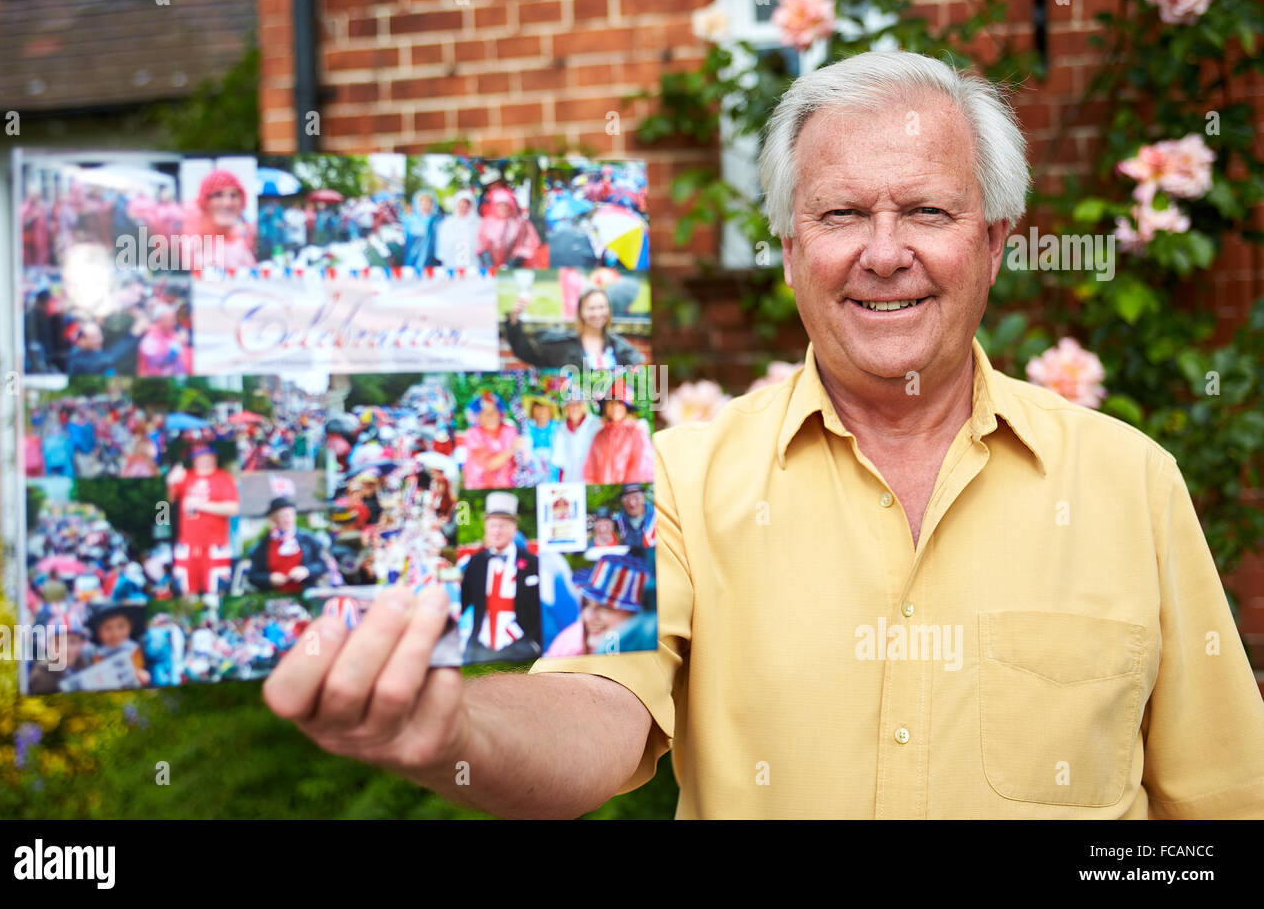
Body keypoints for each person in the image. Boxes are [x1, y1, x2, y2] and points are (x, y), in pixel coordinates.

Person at [264, 51, 1264, 819]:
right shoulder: (677, 479)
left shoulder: (1131, 481)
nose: (883, 252)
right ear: (790, 249)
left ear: (994, 241)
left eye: (925, 209)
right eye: (838, 213)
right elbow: (597, 715)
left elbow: (1220, 807)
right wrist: (450, 726)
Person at [459, 491, 542, 664]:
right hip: (480, 644)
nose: (497, 531)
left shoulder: (533, 563)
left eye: (503, 525)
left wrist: (534, 642)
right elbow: (464, 600)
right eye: (493, 525)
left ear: (514, 528)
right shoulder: (476, 562)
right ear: (486, 527)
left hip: (520, 645)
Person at [504, 286, 644, 371]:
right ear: (581, 312)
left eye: (602, 307)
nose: (597, 313)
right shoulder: (560, 346)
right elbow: (526, 353)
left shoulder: (622, 348)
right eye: (591, 308)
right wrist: (514, 319)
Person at [543, 555, 653, 658]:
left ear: (638, 616)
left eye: (605, 607)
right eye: (586, 603)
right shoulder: (570, 649)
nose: (587, 616)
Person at [167, 445, 239, 598]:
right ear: (193, 459)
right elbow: (164, 504)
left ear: (214, 458)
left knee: (215, 591)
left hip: (215, 546)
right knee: (186, 590)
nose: (204, 460)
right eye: (199, 456)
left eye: (207, 456)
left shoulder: (224, 477)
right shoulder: (185, 476)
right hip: (187, 546)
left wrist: (201, 505)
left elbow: (233, 508)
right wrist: (169, 483)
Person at [245, 497, 330, 595]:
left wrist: (307, 571)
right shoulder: (262, 546)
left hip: (306, 594)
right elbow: (252, 576)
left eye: (290, 514)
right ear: (273, 518)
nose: (287, 519)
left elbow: (323, 565)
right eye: (282, 516)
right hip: (274, 596)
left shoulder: (309, 540)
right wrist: (269, 578)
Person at [180, 169, 257, 271]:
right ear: (205, 201)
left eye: (233, 195)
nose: (227, 203)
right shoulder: (191, 243)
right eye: (218, 195)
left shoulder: (241, 244)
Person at [582, 385, 653, 486]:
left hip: (628, 491)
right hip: (603, 491)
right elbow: (590, 468)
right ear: (605, 407)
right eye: (611, 402)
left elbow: (642, 466)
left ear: (626, 408)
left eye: (620, 403)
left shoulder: (636, 432)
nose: (615, 407)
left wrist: (623, 488)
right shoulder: (599, 436)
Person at [460, 390, 522, 490]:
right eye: (485, 412)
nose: (490, 415)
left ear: (500, 413)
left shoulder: (510, 431)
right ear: (477, 416)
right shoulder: (473, 434)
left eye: (494, 410)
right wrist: (512, 450)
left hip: (507, 486)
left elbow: (521, 461)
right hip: (479, 487)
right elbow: (488, 464)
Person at [476, 185, 540, 267]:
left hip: (515, 267)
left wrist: (511, 264)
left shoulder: (520, 223)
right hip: (490, 268)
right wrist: (490, 265)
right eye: (500, 205)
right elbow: (481, 245)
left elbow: (527, 246)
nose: (503, 208)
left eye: (506, 205)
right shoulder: (487, 223)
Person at [550, 396, 601, 483]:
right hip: (569, 479)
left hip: (592, 478)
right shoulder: (561, 429)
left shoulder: (595, 424)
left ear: (583, 406)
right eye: (570, 404)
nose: (574, 408)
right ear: (565, 408)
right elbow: (559, 460)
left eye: (577, 404)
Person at [435, 189, 480, 268]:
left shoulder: (478, 223)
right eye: (461, 205)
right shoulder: (447, 223)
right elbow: (442, 246)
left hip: (473, 264)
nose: (463, 208)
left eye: (466, 205)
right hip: (451, 263)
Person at [402, 189, 442, 268]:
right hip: (412, 260)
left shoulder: (438, 221)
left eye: (428, 203)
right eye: (422, 203)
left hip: (433, 262)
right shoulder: (409, 220)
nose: (425, 206)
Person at [612, 484, 655, 551]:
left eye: (636, 498)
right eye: (627, 499)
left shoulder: (658, 518)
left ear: (643, 497)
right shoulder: (618, 522)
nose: (632, 503)